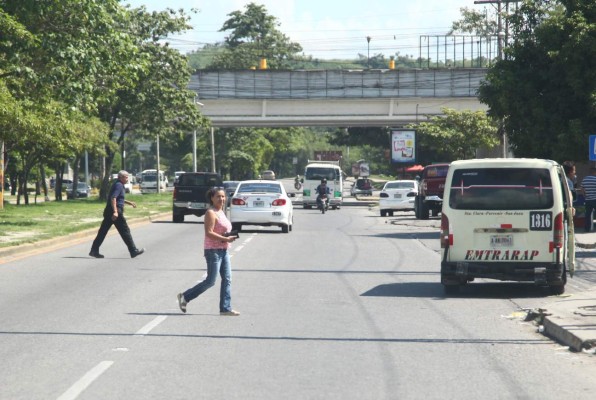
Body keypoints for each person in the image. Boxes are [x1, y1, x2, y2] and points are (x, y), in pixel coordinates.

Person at [177, 187, 240, 316]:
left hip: (224, 249)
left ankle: (225, 308)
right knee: (211, 281)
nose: (221, 199)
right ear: (212, 198)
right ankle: (185, 296)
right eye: (218, 196)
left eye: (223, 196)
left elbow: (220, 229)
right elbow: (209, 233)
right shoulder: (211, 212)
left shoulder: (221, 211)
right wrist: (225, 238)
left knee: (227, 279)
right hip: (213, 251)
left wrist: (227, 236)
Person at [89, 170, 145, 258]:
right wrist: (115, 211)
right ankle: (133, 251)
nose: (127, 179)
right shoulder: (119, 185)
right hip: (114, 212)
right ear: (121, 177)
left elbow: (117, 198)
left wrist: (128, 202)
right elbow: (113, 198)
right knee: (125, 231)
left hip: (109, 211)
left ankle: (94, 250)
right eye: (126, 177)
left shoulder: (117, 184)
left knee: (102, 231)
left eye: (127, 177)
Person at [580, 166, 596, 232]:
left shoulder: (584, 179)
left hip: (588, 200)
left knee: (588, 215)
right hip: (595, 199)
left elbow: (582, 189)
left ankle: (587, 228)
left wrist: (585, 196)